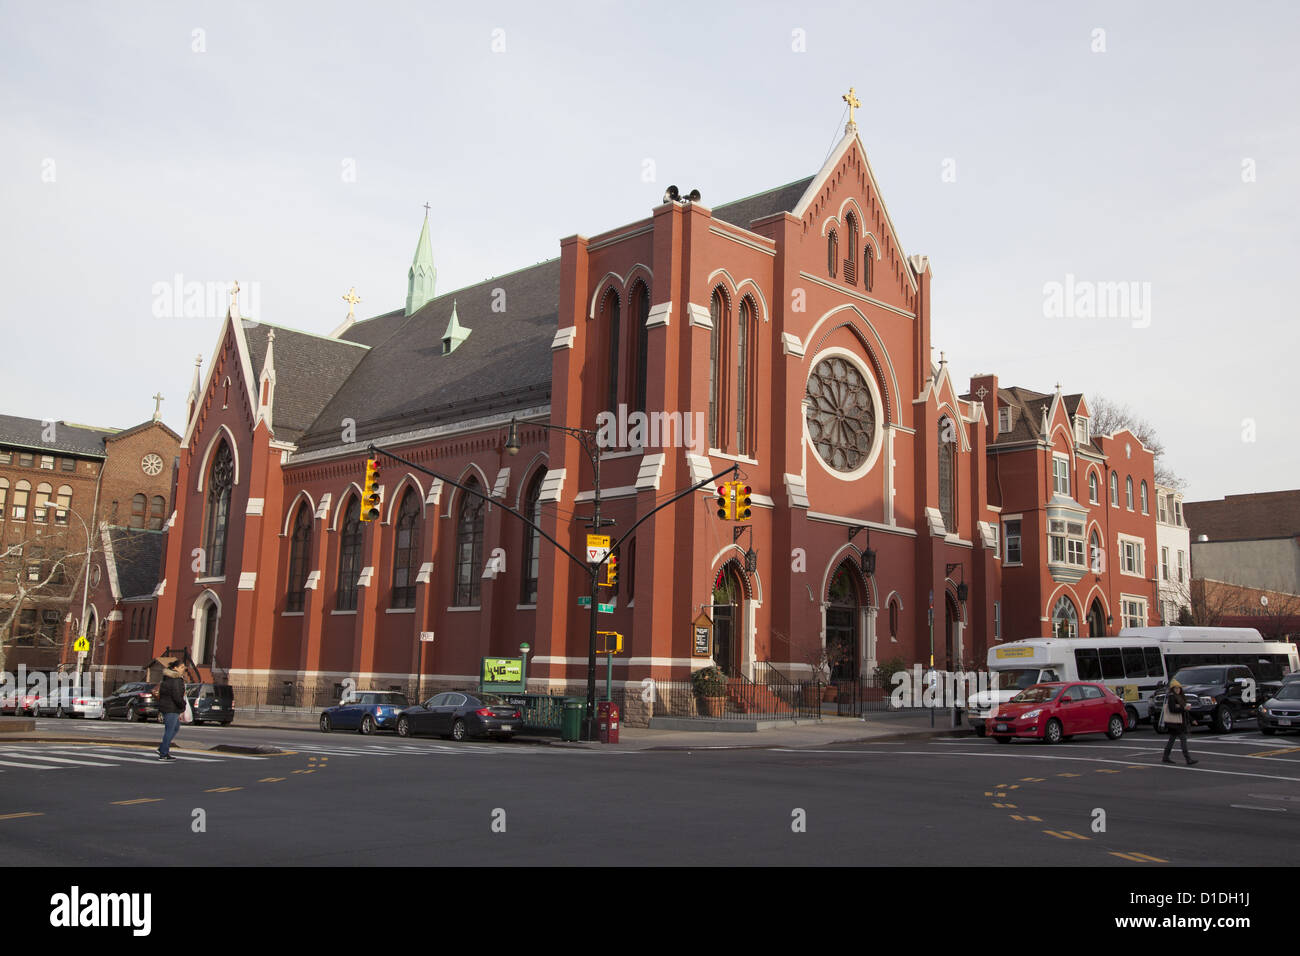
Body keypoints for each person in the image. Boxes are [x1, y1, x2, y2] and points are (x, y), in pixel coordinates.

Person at [157, 658, 187, 761]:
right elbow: (177, 695)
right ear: (175, 668)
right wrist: (183, 705)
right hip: (172, 708)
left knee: (175, 728)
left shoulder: (167, 678)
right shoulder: (176, 679)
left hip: (167, 706)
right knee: (170, 730)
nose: (184, 669)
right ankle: (163, 754)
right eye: (182, 667)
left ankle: (162, 748)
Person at [1162, 680, 1198, 766]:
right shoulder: (1172, 697)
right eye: (1175, 688)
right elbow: (1172, 709)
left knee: (1172, 740)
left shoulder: (1180, 697)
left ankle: (1165, 757)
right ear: (1172, 689)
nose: (1177, 689)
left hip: (1177, 722)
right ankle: (1188, 759)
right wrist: (1184, 708)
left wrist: (1192, 719)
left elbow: (1184, 711)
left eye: (1179, 688)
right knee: (1183, 739)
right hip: (1176, 723)